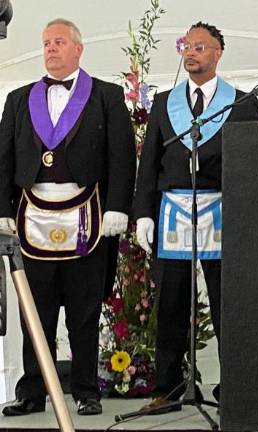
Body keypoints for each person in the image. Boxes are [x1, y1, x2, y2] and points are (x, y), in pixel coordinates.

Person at [0, 18, 135, 416]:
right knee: (34, 312)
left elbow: (122, 156)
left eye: (58, 42)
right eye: (45, 43)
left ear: (79, 48)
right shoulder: (18, 98)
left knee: (84, 309)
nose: (50, 49)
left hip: (87, 216)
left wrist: (118, 207)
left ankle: (85, 390)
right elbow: (3, 159)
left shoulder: (107, 96)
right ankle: (32, 391)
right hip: (32, 216)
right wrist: (1, 210)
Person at [133, 22, 258, 413]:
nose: (191, 52)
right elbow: (149, 162)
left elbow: (253, 166)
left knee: (228, 304)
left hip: (221, 211)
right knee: (170, 304)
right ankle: (169, 387)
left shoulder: (241, 103)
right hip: (172, 210)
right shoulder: (164, 103)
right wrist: (143, 214)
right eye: (187, 46)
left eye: (200, 46)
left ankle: (234, 386)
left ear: (219, 52)